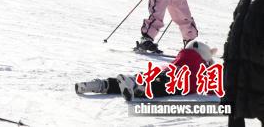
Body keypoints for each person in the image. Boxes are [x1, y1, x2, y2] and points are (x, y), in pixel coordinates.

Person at [76, 41, 217, 101]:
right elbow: (212, 86)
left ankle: (100, 85)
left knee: (145, 79)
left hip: (162, 73)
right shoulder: (202, 66)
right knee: (157, 88)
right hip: (176, 83)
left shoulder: (181, 57)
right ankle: (138, 88)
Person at [223, 0, 264, 126]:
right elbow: (233, 31)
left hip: (259, 78)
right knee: (234, 116)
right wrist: (228, 56)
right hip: (237, 76)